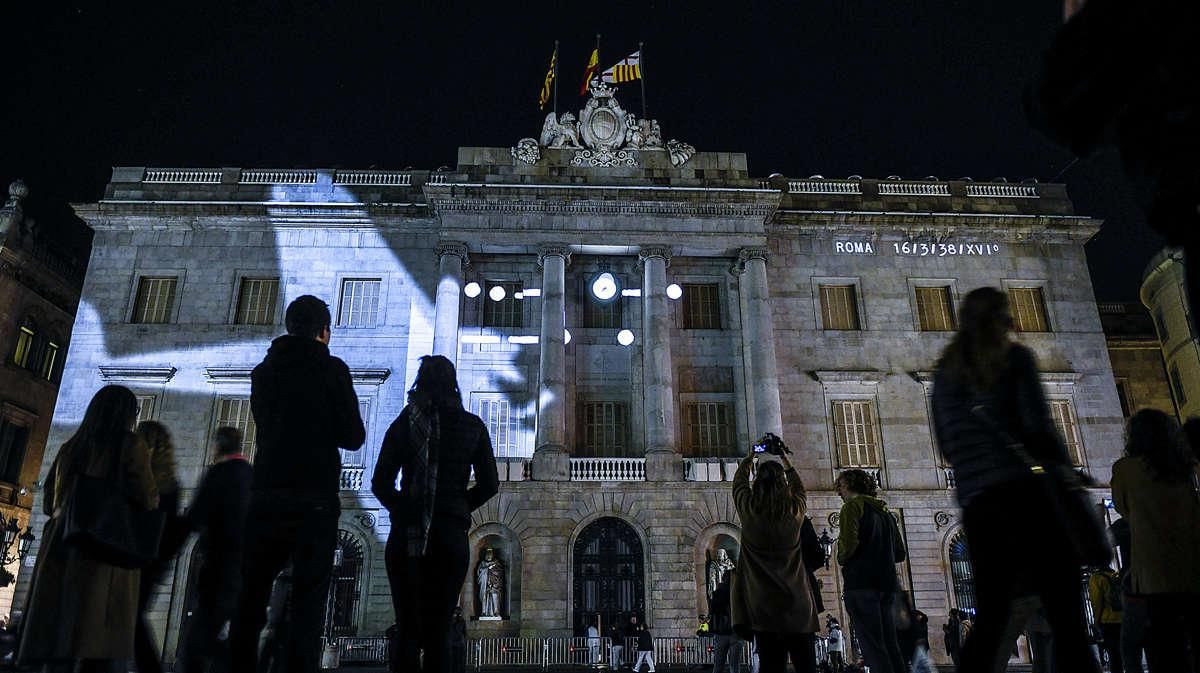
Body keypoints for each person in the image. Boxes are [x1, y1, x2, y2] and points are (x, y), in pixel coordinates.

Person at [932, 287, 1102, 673]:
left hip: (979, 507)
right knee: (1066, 618)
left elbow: (946, 445)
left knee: (992, 618)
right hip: (1029, 500)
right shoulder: (1013, 359)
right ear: (1001, 318)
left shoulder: (945, 376)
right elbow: (1039, 430)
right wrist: (1066, 475)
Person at [230, 295, 366, 673]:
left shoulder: (264, 371)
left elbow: (266, 425)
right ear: (325, 332)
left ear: (290, 327)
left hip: (267, 490)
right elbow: (354, 436)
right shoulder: (332, 370)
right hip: (314, 496)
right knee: (308, 602)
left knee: (251, 597)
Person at [371, 354, 499, 673]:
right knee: (441, 627)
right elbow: (490, 484)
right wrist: (456, 508)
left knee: (408, 627)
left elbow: (380, 482)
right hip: (450, 537)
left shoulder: (407, 422)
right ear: (453, 384)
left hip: (408, 535)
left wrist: (404, 509)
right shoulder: (471, 425)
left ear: (420, 381)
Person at [19, 385, 159, 673]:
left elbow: (48, 502)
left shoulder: (71, 446)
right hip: (104, 547)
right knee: (97, 638)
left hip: (61, 543)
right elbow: (147, 498)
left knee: (61, 638)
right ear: (127, 415)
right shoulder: (130, 445)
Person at [1112, 408, 1200, 672]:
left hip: (1155, 572)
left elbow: (1121, 507)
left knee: (1165, 645)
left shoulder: (1126, 469)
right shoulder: (1184, 467)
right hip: (1192, 565)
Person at [730, 436, 819, 673]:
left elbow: (738, 483)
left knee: (771, 667)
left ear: (757, 483)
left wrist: (751, 457)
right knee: (806, 666)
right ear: (784, 485)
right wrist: (784, 458)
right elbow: (800, 488)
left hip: (763, 608)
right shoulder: (794, 512)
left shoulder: (749, 511)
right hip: (797, 605)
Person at [175, 426, 253, 673]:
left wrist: (166, 547)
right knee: (227, 635)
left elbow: (195, 516)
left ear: (217, 446)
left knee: (198, 641)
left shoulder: (219, 473)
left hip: (219, 566)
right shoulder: (252, 475)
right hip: (246, 569)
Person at [834, 468, 906, 673]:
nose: (839, 492)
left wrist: (841, 556)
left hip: (862, 585)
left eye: (840, 487)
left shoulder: (852, 508)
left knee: (873, 648)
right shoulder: (886, 514)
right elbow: (900, 553)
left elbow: (848, 547)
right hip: (887, 586)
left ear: (849, 485)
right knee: (891, 646)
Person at [134, 420, 184, 673]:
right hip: (152, 562)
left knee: (129, 621)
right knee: (130, 620)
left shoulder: (142, 482)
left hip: (134, 559)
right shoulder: (171, 486)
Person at [1109, 517, 1146, 673]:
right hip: (1166, 588)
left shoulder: (1126, 524)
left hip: (1135, 589)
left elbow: (1105, 543)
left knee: (1130, 647)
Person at [1088, 566, 1125, 673]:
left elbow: (1097, 603)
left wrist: (1096, 622)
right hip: (1122, 619)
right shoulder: (1116, 575)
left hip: (1108, 621)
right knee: (1125, 653)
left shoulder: (1096, 578)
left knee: (1114, 656)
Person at [709, 572, 742, 673]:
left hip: (721, 632)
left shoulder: (717, 594)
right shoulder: (738, 593)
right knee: (735, 666)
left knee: (718, 666)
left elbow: (712, 611)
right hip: (735, 632)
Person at [449, 607, 467, 673]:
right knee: (459, 662)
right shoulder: (461, 621)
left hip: (456, 644)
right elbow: (464, 633)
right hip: (458, 644)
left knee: (456, 662)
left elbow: (464, 633)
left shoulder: (459, 621)